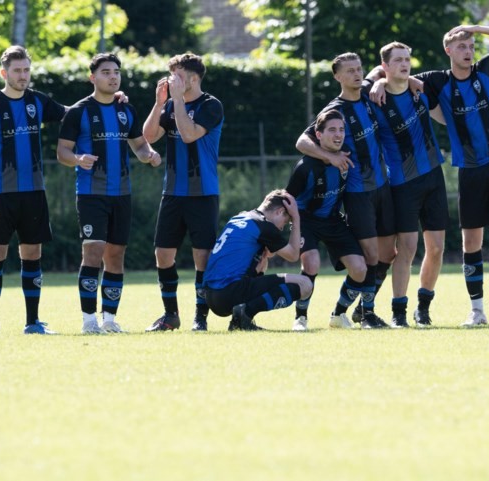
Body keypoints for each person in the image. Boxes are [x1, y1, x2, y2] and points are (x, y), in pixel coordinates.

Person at [415, 25, 489, 327]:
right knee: (471, 243)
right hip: (470, 171)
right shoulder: (437, 81)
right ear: (448, 51)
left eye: (471, 46)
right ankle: (477, 311)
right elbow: (398, 77)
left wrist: (476, 27)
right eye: (462, 47)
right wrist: (376, 82)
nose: (468, 52)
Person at [57, 53, 161, 334]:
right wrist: (78, 159)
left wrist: (149, 155)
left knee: (116, 256)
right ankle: (89, 321)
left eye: (116, 71)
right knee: (93, 252)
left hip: (122, 194)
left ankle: (110, 320)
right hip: (91, 194)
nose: (113, 76)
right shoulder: (78, 112)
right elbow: (62, 152)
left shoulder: (126, 109)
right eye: (106, 72)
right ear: (93, 78)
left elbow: (139, 146)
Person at [0, 45, 65, 336]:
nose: (23, 75)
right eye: (17, 70)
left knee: (32, 253)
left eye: (26, 70)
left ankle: (33, 323)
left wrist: (105, 99)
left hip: (34, 192)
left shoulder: (38, 101)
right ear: (4, 73)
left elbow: (72, 114)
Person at [296, 52, 396, 329]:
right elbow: (302, 141)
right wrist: (329, 157)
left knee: (389, 253)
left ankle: (347, 310)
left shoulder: (367, 92)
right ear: (337, 76)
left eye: (358, 69)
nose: (356, 74)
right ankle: (367, 313)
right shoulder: (335, 109)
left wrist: (378, 81)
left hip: (383, 186)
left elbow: (380, 69)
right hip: (357, 194)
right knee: (371, 256)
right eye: (349, 70)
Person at [364, 42, 449, 328]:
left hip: (434, 177)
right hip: (403, 184)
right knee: (408, 249)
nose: (405, 64)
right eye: (398, 60)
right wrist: (376, 80)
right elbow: (365, 81)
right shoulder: (375, 100)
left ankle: (423, 308)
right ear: (386, 66)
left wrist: (405, 78)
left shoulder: (420, 90)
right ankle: (398, 312)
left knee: (436, 249)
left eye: (407, 59)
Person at [141, 53, 224, 333]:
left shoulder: (211, 105)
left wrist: (176, 100)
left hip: (203, 193)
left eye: (177, 76)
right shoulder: (169, 105)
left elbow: (189, 134)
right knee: (163, 255)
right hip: (173, 193)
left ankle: (200, 317)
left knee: (202, 257)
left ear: (193, 78)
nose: (172, 80)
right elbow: (149, 136)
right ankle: (170, 315)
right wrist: (158, 102)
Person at [285, 110, 367, 331]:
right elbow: (287, 199)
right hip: (306, 221)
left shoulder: (348, 154)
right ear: (318, 135)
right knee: (311, 263)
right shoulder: (306, 167)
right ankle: (300, 318)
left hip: (333, 221)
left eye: (341, 129)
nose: (338, 134)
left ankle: (338, 315)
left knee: (359, 269)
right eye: (331, 130)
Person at [203, 189, 313, 331]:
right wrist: (296, 218)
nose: (281, 228)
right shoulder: (264, 226)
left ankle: (239, 320)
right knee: (305, 285)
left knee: (262, 264)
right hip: (229, 292)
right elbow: (293, 255)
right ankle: (245, 314)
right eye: (285, 222)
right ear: (279, 211)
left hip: (211, 296)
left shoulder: (240, 217)